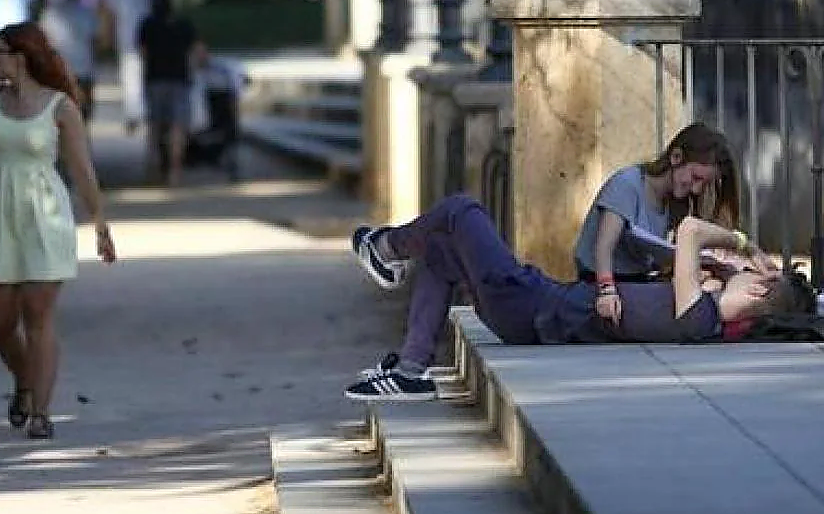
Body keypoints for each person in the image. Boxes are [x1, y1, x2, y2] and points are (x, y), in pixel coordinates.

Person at [343, 194, 811, 402]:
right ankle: (410, 372)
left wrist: (743, 245)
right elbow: (676, 247)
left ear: (758, 290)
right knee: (444, 251)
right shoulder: (705, 310)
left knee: (462, 211)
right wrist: (728, 265)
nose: (748, 268)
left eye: (752, 274)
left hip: (531, 310)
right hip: (539, 299)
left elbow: (689, 230)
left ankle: (382, 248)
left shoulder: (699, 315)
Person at [0, 22, 117, 439]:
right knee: (0, 323)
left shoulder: (60, 107)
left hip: (44, 217)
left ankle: (41, 412)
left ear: (21, 56)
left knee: (38, 318)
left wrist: (100, 222)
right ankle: (25, 381)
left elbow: (82, 168)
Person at [572, 123, 743, 324]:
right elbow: (604, 248)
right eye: (695, 178)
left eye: (703, 185)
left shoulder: (675, 203)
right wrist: (607, 291)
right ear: (676, 157)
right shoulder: (627, 184)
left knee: (712, 288)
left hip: (639, 282)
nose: (696, 190)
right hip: (603, 283)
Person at [137, 0, 206, 187]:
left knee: (155, 125)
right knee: (177, 126)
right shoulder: (184, 24)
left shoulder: (147, 24)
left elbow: (142, 52)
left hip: (154, 78)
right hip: (180, 79)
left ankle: (154, 168)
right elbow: (198, 51)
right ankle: (175, 171)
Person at [105, 0, 168, 133]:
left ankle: (133, 113)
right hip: (155, 32)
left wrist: (109, 32)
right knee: (155, 72)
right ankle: (154, 111)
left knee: (130, 72)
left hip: (128, 30)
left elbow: (111, 8)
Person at [39, 0, 106, 123]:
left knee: (58, 108)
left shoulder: (51, 13)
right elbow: (96, 40)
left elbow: (43, 41)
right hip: (83, 67)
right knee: (84, 109)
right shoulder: (88, 13)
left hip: (59, 67)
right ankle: (79, 138)